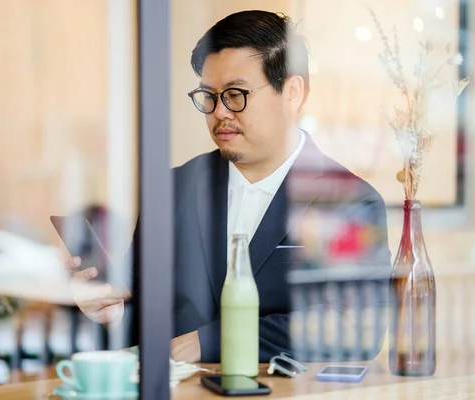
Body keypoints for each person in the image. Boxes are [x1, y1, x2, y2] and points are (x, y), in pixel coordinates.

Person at [67, 10, 391, 363]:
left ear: (293, 93)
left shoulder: (348, 201)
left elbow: (355, 326)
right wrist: (112, 312)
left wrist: (211, 342)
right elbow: (148, 314)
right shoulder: (173, 189)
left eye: (235, 94)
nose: (220, 112)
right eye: (209, 96)